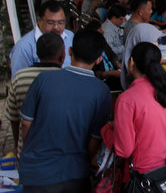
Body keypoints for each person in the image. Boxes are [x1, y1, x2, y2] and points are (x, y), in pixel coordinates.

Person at [19, 29, 111, 191]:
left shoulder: (43, 80)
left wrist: (32, 151)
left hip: (36, 172)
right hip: (74, 173)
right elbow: (94, 140)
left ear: (69, 51)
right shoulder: (102, 91)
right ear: (98, 59)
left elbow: (26, 123)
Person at [101, 42, 166, 182]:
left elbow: (124, 150)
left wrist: (106, 130)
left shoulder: (126, 99)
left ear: (131, 62)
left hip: (142, 177)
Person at [6, 33, 65, 158]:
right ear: (63, 56)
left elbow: (14, 118)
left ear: (37, 54)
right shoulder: (68, 79)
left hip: (28, 154)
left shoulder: (19, 77)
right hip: (60, 154)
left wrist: (18, 144)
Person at [10, 0, 74, 77]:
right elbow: (18, 80)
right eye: (50, 23)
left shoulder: (70, 37)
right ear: (39, 21)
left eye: (60, 22)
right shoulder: (24, 47)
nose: (56, 27)